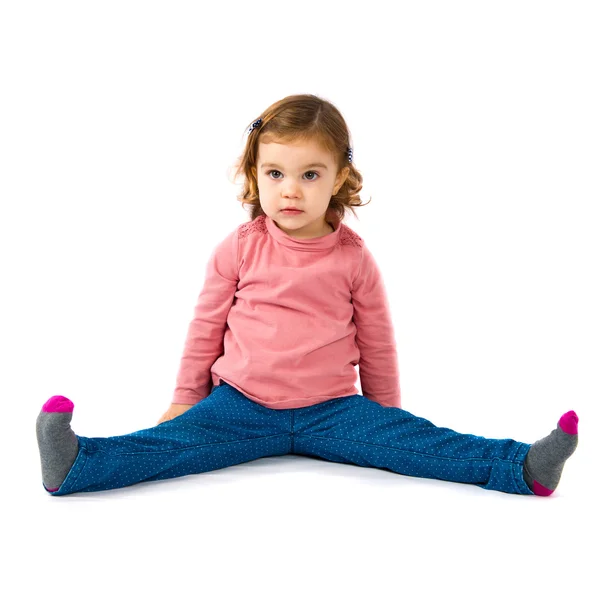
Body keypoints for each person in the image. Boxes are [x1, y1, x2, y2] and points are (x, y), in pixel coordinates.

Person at [36, 94, 578, 497]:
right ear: (255, 175)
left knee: (422, 446)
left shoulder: (353, 258)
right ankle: (78, 464)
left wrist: (385, 413)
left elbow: (378, 341)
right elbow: (205, 328)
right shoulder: (240, 248)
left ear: (339, 177)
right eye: (275, 173)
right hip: (240, 406)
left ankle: (521, 466)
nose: (290, 189)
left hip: (332, 411)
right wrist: (185, 398)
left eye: (309, 174)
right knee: (169, 449)